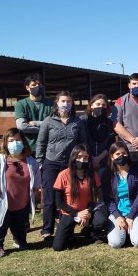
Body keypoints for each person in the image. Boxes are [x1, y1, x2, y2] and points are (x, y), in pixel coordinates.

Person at [35, 90, 86, 238]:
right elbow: (41, 142)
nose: (66, 104)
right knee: (50, 198)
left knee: (67, 197)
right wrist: (40, 161)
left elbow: (82, 143)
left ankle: (65, 227)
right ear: (56, 103)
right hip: (51, 163)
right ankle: (47, 229)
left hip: (70, 165)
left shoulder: (78, 122)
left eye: (69, 101)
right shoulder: (48, 121)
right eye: (63, 101)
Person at [0, 128, 41, 258]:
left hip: (22, 202)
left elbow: (36, 176)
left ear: (23, 142)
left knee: (20, 225)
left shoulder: (30, 161)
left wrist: (37, 189)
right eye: (11, 140)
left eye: (18, 140)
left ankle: (20, 240)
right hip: (3, 201)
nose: (15, 143)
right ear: (6, 143)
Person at [52, 145, 107, 251]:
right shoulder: (63, 174)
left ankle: (89, 230)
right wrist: (77, 214)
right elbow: (59, 202)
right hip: (69, 212)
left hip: (87, 211)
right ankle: (70, 234)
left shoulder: (93, 175)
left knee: (100, 220)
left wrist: (88, 212)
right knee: (58, 247)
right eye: (79, 156)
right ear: (73, 157)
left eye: (86, 157)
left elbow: (97, 198)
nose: (82, 160)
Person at [104, 141, 138, 248]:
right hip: (117, 213)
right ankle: (125, 232)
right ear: (112, 157)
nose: (121, 156)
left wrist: (130, 216)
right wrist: (117, 216)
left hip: (134, 211)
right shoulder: (108, 174)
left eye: (124, 153)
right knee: (116, 243)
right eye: (118, 154)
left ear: (128, 154)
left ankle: (132, 232)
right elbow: (107, 199)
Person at [14, 73, 54, 153]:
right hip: (28, 147)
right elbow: (21, 126)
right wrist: (45, 128)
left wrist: (35, 123)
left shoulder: (51, 104)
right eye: (34, 85)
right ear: (27, 87)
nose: (37, 87)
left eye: (39, 84)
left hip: (47, 147)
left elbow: (54, 124)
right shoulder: (21, 104)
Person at [81, 94, 116, 171]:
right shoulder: (82, 121)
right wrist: (91, 158)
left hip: (104, 162)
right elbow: (81, 141)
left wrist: (98, 158)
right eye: (98, 104)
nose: (101, 106)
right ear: (91, 105)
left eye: (103, 105)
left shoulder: (109, 123)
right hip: (85, 160)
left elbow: (111, 143)